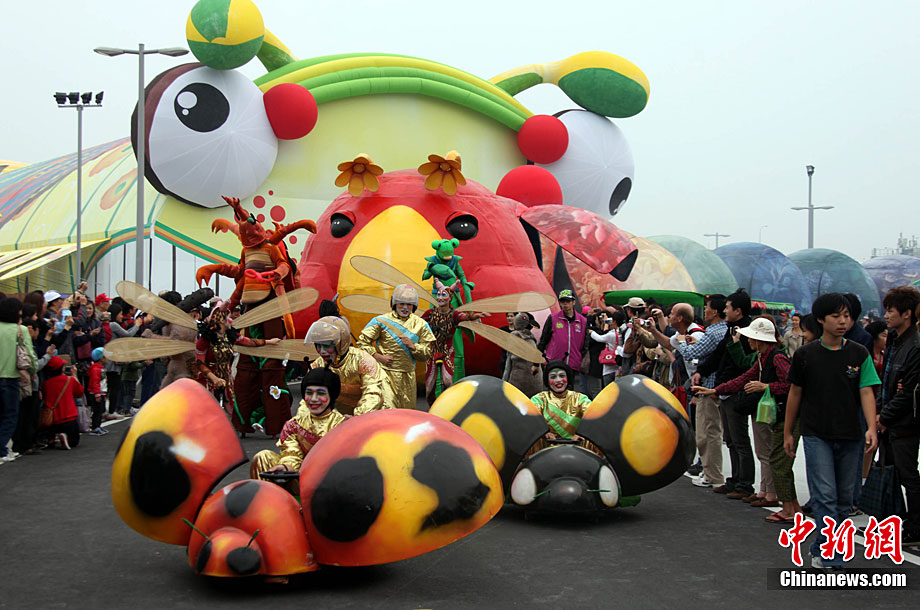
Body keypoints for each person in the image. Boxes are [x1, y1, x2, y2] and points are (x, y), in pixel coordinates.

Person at [784, 293, 880, 570]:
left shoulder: (859, 353)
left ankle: (821, 546)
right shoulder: (806, 355)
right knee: (825, 495)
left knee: (845, 498)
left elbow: (866, 391)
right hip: (817, 434)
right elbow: (795, 393)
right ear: (821, 319)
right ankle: (831, 555)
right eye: (836, 316)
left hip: (851, 434)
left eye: (846, 316)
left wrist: (871, 427)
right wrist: (789, 432)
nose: (842, 321)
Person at [694, 317, 789, 512]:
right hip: (764, 408)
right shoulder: (763, 357)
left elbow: (789, 384)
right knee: (762, 451)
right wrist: (716, 390)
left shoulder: (776, 357)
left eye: (752, 337)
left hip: (773, 411)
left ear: (760, 340)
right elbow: (743, 379)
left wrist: (765, 386)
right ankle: (764, 491)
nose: (749, 340)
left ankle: (771, 493)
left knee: (766, 451)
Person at [699, 289, 756, 499]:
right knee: (730, 439)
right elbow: (719, 355)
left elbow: (741, 364)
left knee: (740, 439)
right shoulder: (731, 329)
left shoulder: (746, 332)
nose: (725, 311)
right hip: (725, 390)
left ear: (738, 311)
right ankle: (735, 480)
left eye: (728, 308)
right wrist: (702, 371)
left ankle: (745, 484)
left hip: (736, 391)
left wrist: (723, 385)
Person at [249, 367, 346, 490]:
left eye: (320, 393)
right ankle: (267, 500)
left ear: (331, 395)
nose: (313, 399)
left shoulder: (343, 425)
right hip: (297, 476)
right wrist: (286, 467)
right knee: (262, 457)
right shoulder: (294, 424)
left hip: (326, 483)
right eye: (309, 393)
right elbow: (292, 453)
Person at [876, 286, 920, 547]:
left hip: (906, 422)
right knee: (891, 472)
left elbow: (908, 392)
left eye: (891, 310)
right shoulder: (895, 340)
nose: (886, 315)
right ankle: (894, 522)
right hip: (891, 419)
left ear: (907, 313)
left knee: (907, 474)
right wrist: (880, 412)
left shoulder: (915, 346)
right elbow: (887, 382)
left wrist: (884, 416)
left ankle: (915, 527)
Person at [677, 294, 728, 488]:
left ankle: (711, 475)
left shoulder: (713, 333)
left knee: (707, 433)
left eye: (707, 307)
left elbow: (690, 353)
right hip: (716, 387)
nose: (704, 310)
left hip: (708, 388)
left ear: (715, 311)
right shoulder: (723, 330)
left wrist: (681, 340)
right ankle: (710, 472)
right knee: (712, 432)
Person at [357, 284, 435, 410]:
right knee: (387, 411)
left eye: (409, 304)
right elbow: (361, 343)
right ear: (394, 303)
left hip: (408, 378)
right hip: (385, 375)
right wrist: (378, 357)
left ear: (414, 306)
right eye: (401, 304)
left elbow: (428, 352)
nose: (405, 307)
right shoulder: (379, 321)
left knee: (407, 414)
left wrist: (414, 346)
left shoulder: (421, 324)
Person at [308, 316, 396, 414]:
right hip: (343, 416)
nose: (322, 351)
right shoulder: (317, 366)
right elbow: (308, 400)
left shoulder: (363, 361)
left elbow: (373, 394)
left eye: (327, 346)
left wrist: (357, 416)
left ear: (341, 343)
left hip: (377, 412)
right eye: (318, 346)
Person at [420, 278, 486, 404]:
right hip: (432, 350)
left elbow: (465, 317)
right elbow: (418, 322)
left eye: (443, 295)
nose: (440, 298)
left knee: (448, 382)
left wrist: (475, 316)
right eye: (438, 294)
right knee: (429, 389)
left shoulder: (454, 314)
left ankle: (447, 404)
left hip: (447, 351)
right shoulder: (430, 313)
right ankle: (432, 407)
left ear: (450, 298)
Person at [0, 297, 37, 462]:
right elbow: (29, 354)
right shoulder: (20, 330)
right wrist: (33, 371)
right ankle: (1, 449)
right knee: (10, 414)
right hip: (11, 377)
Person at [530, 360, 592, 447]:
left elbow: (594, 415)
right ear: (547, 380)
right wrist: (543, 432)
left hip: (576, 448)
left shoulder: (580, 398)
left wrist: (583, 433)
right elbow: (530, 418)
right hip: (546, 449)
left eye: (562, 376)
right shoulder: (539, 399)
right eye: (553, 377)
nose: (558, 380)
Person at [535, 290, 588, 378]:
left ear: (573, 302)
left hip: (573, 364)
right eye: (562, 301)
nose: (565, 304)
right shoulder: (553, 318)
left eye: (568, 301)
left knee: (571, 387)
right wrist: (536, 363)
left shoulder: (583, 321)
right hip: (554, 362)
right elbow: (543, 340)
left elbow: (585, 345)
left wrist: (578, 358)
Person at [41, 356, 85, 450]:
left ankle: (53, 438)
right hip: (69, 417)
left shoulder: (46, 384)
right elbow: (79, 393)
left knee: (51, 430)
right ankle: (65, 438)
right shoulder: (70, 380)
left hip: (52, 419)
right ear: (62, 368)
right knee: (74, 442)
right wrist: (74, 376)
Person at [503, 313, 543, 397]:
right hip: (535, 384)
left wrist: (504, 382)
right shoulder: (530, 340)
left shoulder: (513, 339)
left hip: (517, 381)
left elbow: (508, 365)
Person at [86, 347, 108, 436]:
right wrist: (97, 394)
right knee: (97, 410)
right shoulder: (95, 369)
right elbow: (95, 382)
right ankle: (95, 426)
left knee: (100, 410)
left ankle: (98, 425)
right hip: (96, 393)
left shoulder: (101, 368)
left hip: (101, 392)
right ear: (101, 358)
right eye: (105, 357)